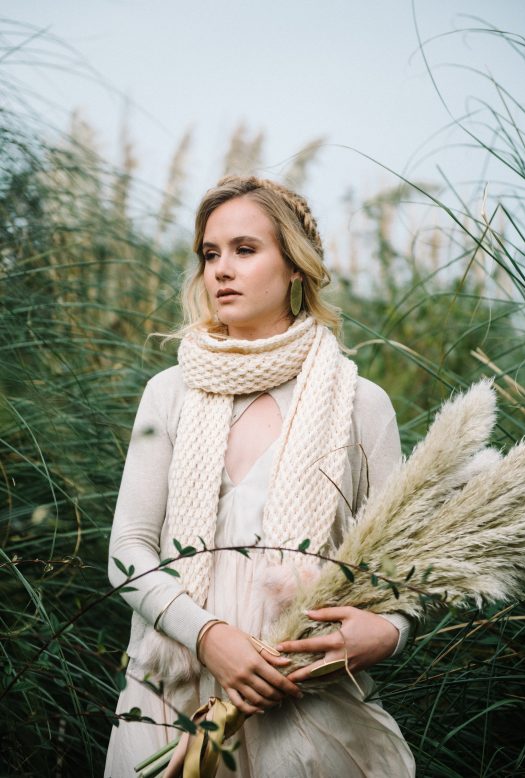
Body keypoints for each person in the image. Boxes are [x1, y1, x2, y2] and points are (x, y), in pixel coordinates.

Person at [104, 176, 416, 777]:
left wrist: (390, 633)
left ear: (295, 265)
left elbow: (400, 572)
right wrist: (208, 637)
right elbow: (127, 550)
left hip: (302, 700)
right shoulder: (170, 393)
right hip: (171, 696)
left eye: (245, 250)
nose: (221, 269)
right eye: (210, 254)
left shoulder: (360, 404)